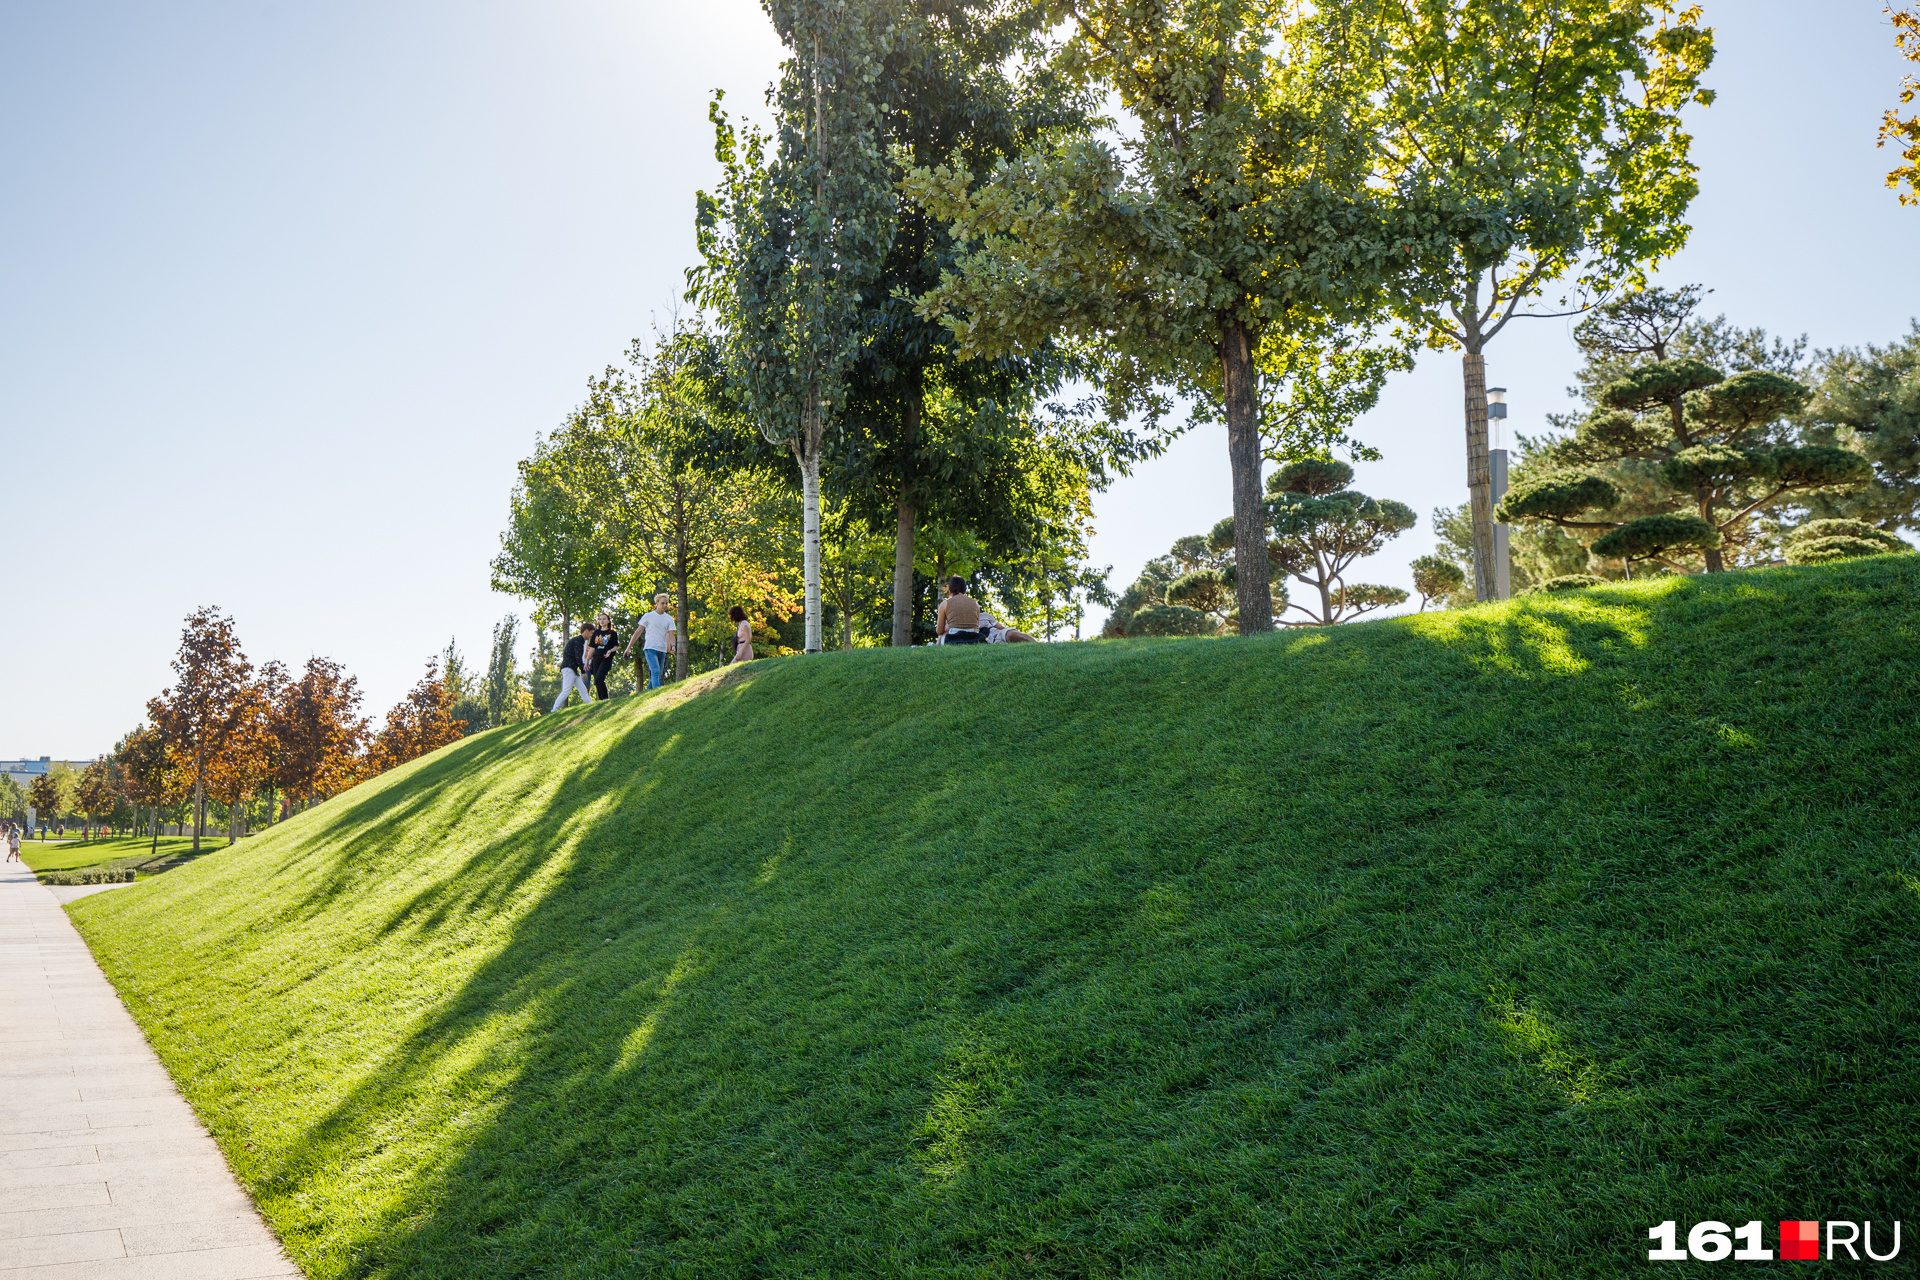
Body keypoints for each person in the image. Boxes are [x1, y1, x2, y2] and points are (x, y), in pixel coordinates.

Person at [626, 594, 677, 690]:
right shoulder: (648, 616)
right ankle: (657, 691)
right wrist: (629, 647)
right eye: (662, 603)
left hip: (662, 649)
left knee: (657, 674)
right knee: (655, 670)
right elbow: (638, 632)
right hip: (650, 648)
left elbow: (671, 634)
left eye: (666, 603)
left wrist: (673, 646)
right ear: (657, 603)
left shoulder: (669, 619)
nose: (665, 605)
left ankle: (647, 695)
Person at [552, 620, 597, 711]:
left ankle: (592, 706)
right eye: (591, 633)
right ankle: (554, 710)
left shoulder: (578, 641)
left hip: (573, 670)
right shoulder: (578, 641)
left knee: (583, 690)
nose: (592, 635)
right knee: (566, 691)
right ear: (586, 631)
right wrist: (583, 671)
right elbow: (578, 657)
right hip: (569, 668)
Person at [936, 576, 984, 644]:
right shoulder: (975, 603)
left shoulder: (945, 604)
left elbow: (939, 631)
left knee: (943, 634)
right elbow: (977, 625)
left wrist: (948, 625)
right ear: (964, 589)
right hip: (974, 638)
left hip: (953, 639)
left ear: (950, 589)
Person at [588, 612, 621, 701]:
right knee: (596, 681)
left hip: (606, 658)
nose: (602, 621)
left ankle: (606, 699)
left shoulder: (612, 633)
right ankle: (602, 701)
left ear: (608, 621)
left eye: (604, 619)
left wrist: (610, 651)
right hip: (596, 658)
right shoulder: (596, 633)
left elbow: (616, 646)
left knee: (599, 678)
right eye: (600, 619)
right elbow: (592, 648)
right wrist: (587, 661)